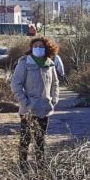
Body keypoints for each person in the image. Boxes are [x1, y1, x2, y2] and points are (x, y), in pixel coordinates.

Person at [11, 36, 60, 165]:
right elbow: (16, 85)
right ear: (31, 48)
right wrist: (24, 103)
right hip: (28, 109)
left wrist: (54, 98)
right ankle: (23, 166)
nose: (38, 48)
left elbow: (55, 83)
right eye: (35, 46)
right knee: (25, 139)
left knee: (40, 139)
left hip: (45, 108)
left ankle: (41, 166)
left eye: (41, 46)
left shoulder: (49, 63)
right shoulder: (24, 63)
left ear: (47, 48)